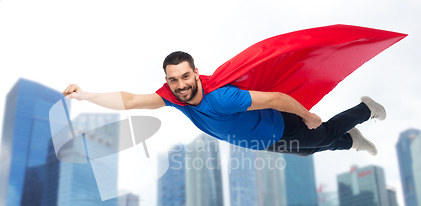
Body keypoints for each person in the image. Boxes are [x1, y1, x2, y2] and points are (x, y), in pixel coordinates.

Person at [63, 51, 385, 157]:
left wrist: (306, 114)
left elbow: (275, 98)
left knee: (321, 136)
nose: (181, 85)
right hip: (261, 142)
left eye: (185, 77)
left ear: (196, 73)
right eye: (174, 80)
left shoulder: (222, 97)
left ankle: (365, 110)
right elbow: (131, 100)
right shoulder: (174, 98)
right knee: (308, 152)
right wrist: (86, 95)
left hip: (279, 125)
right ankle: (351, 140)